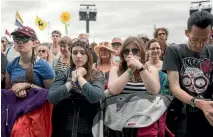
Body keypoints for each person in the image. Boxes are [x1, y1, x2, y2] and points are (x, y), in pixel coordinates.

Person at [163, 11, 213, 137]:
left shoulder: (211, 50)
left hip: (208, 115)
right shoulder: (174, 50)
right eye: (195, 39)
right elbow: (174, 86)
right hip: (182, 116)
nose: (200, 44)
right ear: (187, 33)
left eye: (205, 39)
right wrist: (200, 103)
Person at [48, 38, 104, 137]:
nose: (78, 56)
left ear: (88, 55)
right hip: (63, 127)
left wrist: (80, 77)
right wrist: (72, 81)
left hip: (87, 128)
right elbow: (52, 97)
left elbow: (95, 97)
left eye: (82, 53)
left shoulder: (96, 74)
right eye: (75, 52)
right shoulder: (64, 73)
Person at [106, 36, 161, 136]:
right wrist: (130, 70)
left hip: (144, 124)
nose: (130, 54)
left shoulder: (151, 69)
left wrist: (140, 68)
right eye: (126, 51)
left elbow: (154, 90)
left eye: (135, 51)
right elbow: (113, 90)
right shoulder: (116, 69)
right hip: (120, 123)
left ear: (142, 52)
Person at [5, 26, 55, 95]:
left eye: (25, 38)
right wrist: (16, 90)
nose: (20, 41)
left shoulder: (44, 66)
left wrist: (28, 85)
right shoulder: (11, 65)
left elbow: (52, 95)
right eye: (16, 38)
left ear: (34, 43)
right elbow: (7, 91)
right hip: (16, 105)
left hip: (37, 105)